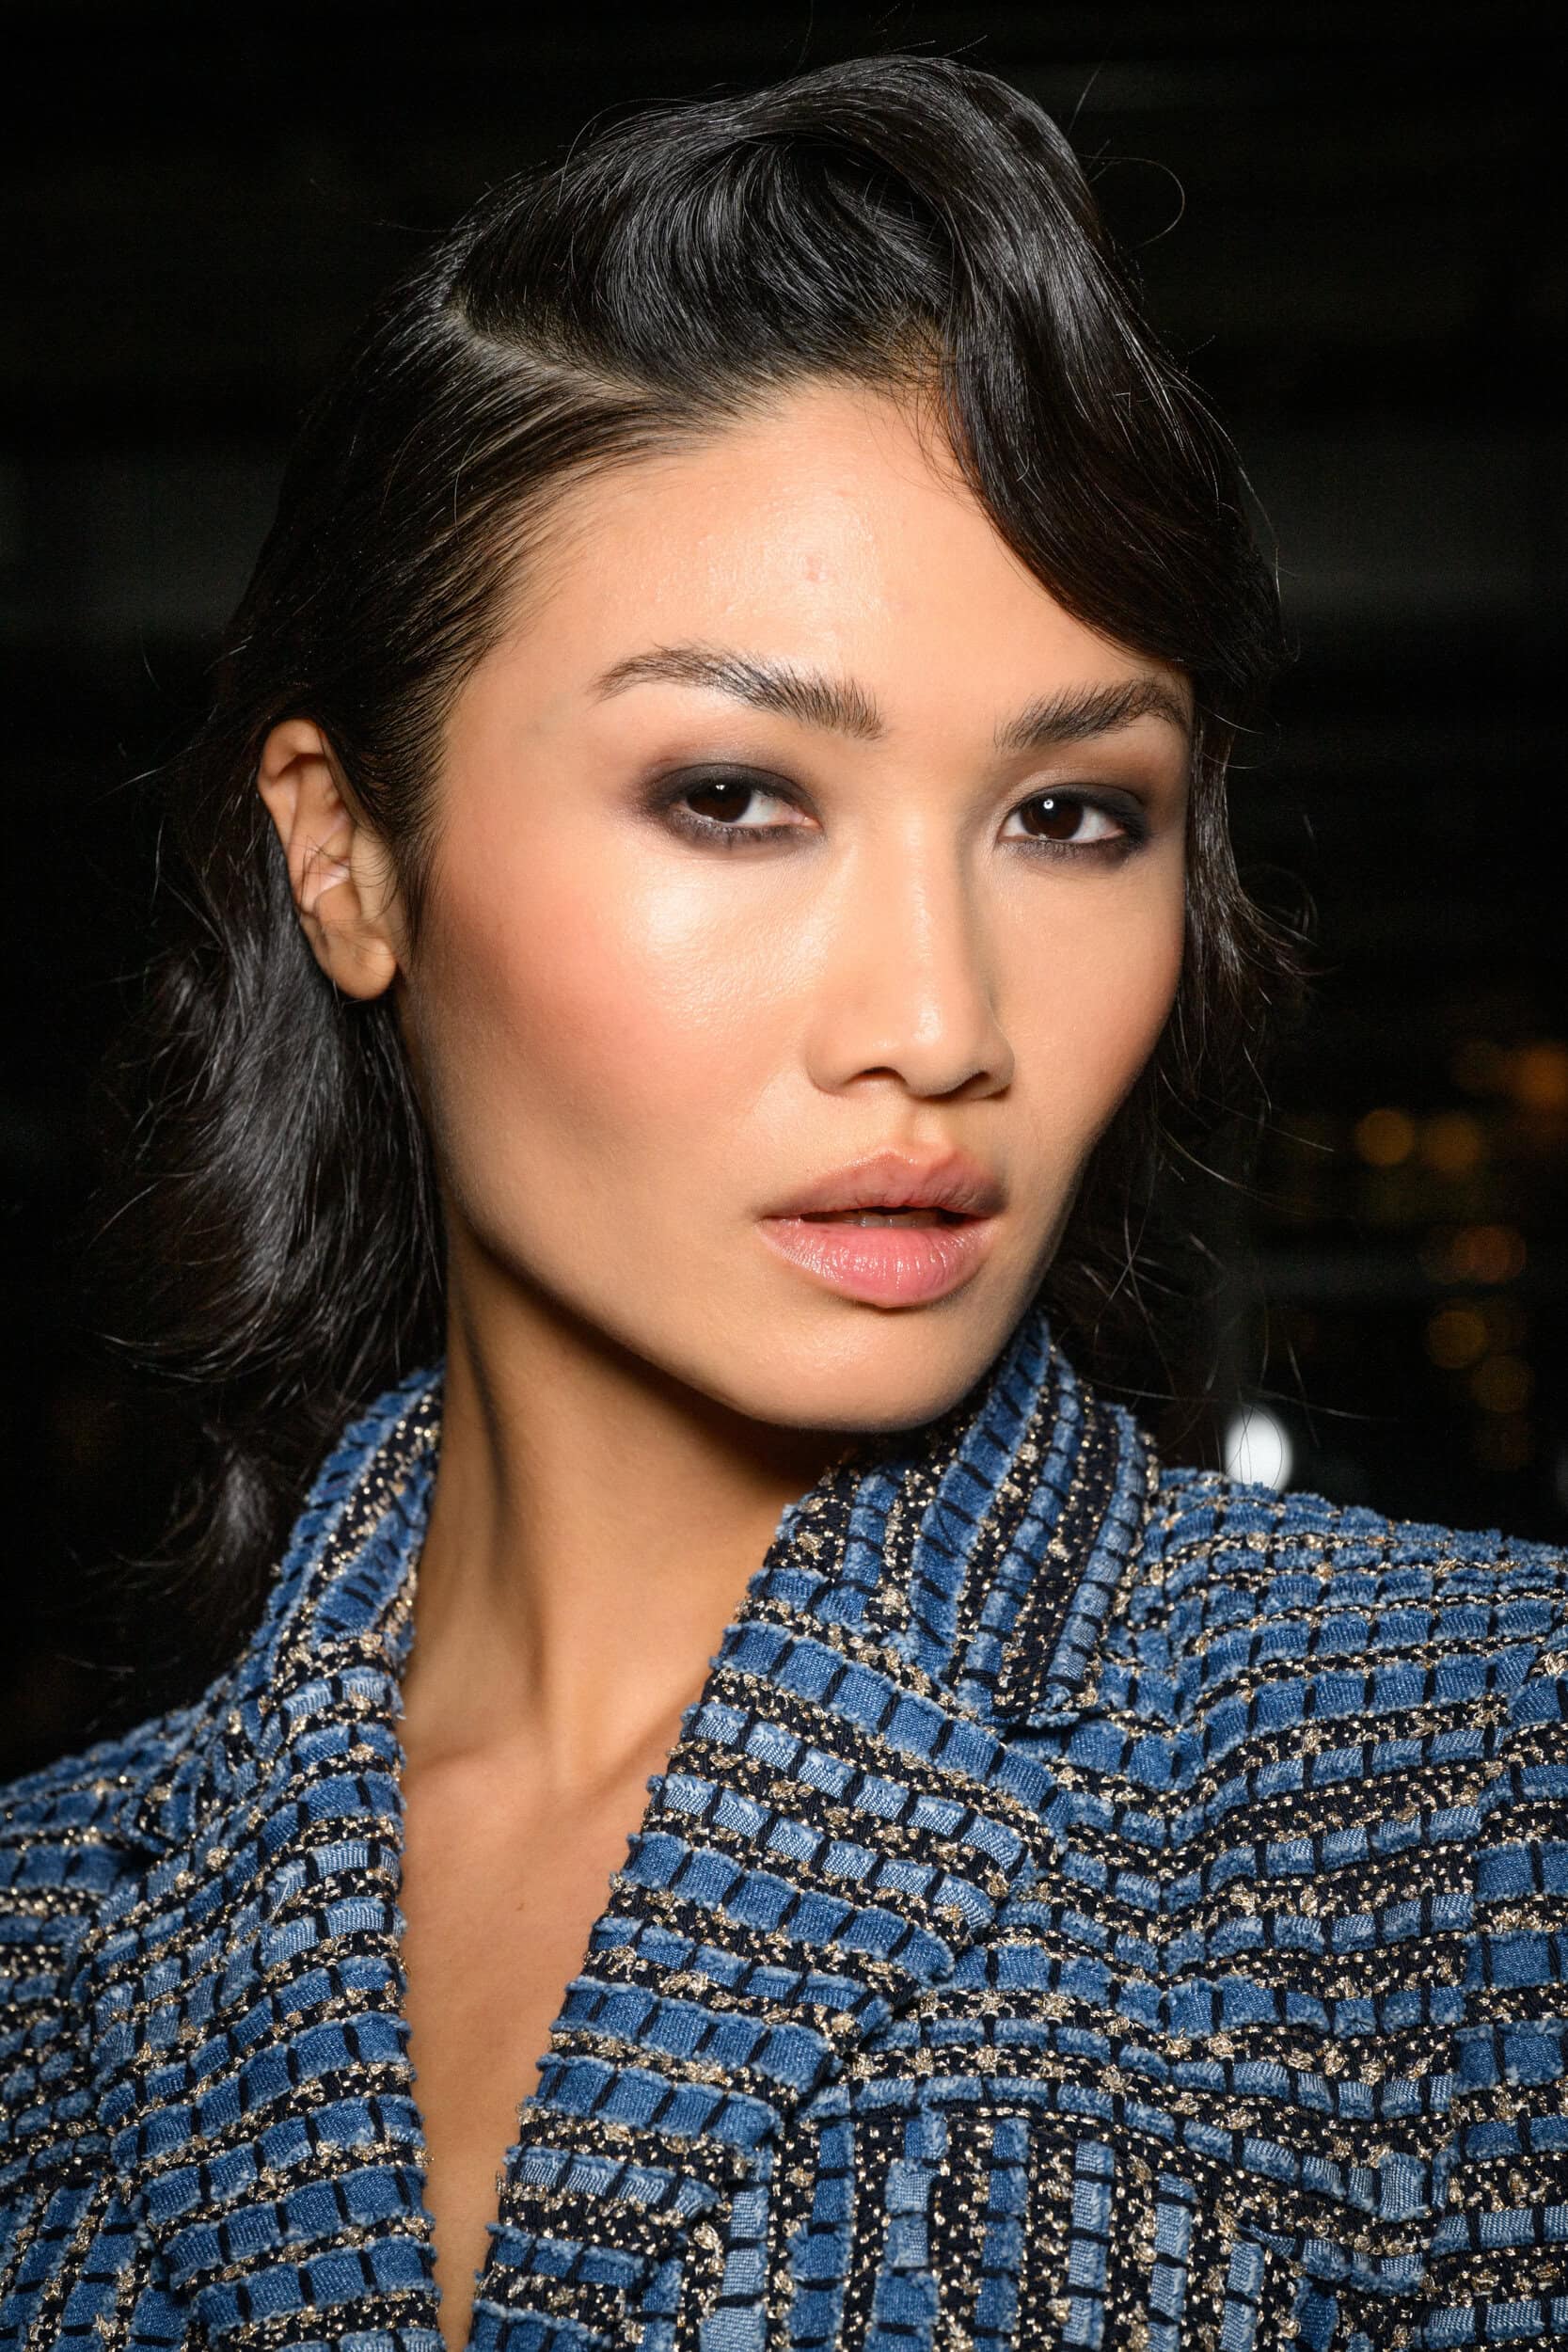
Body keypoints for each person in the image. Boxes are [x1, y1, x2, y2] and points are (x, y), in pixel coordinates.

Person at [1, 53, 1562, 2352]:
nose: (941, 1018)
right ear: (348, 855)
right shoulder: (53, 1941)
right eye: (734, 795)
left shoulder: (1481, 1784)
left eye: (1071, 815)